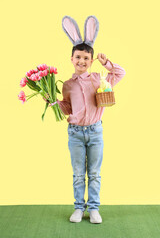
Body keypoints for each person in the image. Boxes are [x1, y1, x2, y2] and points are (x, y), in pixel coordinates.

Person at [56, 16, 126, 224]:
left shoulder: (98, 78)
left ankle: (94, 208)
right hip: (75, 133)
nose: (81, 61)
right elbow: (67, 108)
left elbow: (120, 73)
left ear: (91, 60)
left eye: (86, 58)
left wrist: (107, 63)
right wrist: (53, 101)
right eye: (78, 57)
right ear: (71, 59)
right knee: (78, 174)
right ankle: (79, 208)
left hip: (95, 132)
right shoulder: (67, 85)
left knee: (94, 173)